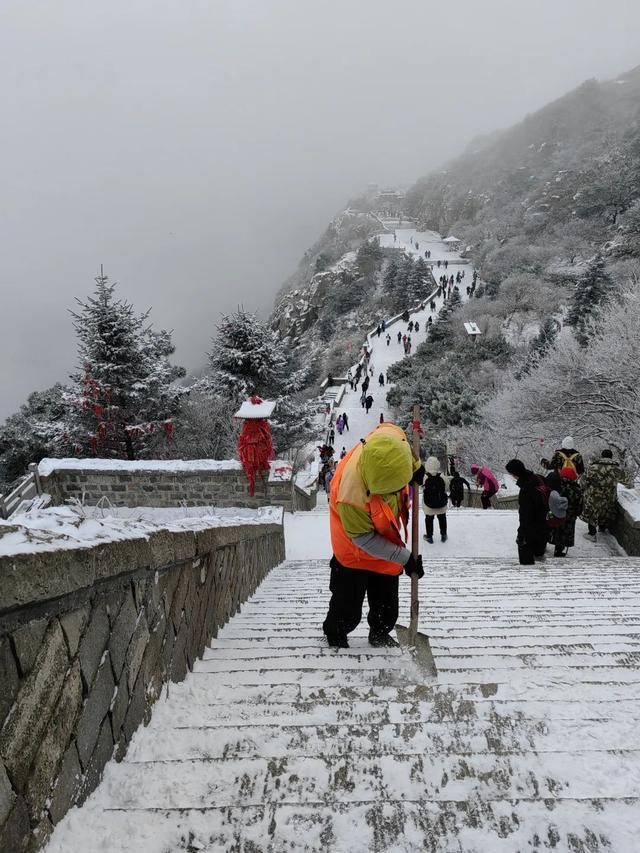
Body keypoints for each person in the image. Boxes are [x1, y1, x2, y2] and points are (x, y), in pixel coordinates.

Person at [322, 422, 425, 648]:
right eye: (391, 490)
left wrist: (415, 466)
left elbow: (399, 443)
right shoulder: (351, 495)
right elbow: (363, 539)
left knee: (387, 603)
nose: (399, 493)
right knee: (347, 606)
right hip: (353, 549)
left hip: (386, 536)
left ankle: (380, 632)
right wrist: (405, 558)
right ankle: (336, 634)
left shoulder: (390, 439)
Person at [580, 450, 633, 540]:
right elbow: (629, 483)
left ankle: (592, 534)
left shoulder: (593, 467)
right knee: (605, 511)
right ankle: (602, 528)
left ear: (602, 456)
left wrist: (585, 489)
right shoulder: (617, 469)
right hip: (609, 496)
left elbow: (582, 482)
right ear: (611, 457)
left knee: (593, 512)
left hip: (594, 495)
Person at [505, 459, 548, 565]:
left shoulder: (526, 490)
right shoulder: (538, 478)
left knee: (528, 564)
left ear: (515, 474)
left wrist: (521, 534)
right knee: (539, 558)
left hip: (532, 530)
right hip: (544, 525)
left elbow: (525, 516)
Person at [545, 467, 583, 557]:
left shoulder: (554, 485)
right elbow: (579, 506)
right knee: (564, 533)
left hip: (553, 513)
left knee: (550, 528)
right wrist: (576, 513)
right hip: (568, 516)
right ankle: (558, 551)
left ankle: (542, 545)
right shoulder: (576, 490)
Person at [422, 456, 449, 543]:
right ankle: (443, 535)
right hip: (441, 502)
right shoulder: (442, 476)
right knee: (442, 518)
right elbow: (447, 487)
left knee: (429, 519)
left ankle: (429, 536)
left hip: (428, 503)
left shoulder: (425, 477)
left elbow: (421, 486)